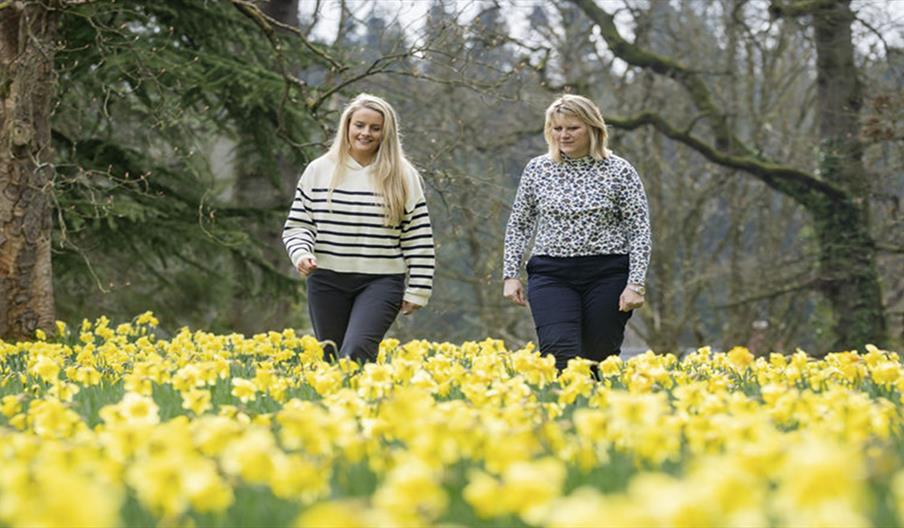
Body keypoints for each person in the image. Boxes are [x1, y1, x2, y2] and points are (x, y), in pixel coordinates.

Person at [502, 94, 651, 371]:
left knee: (597, 357)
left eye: (572, 128)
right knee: (559, 353)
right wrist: (510, 274)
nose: (564, 135)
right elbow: (519, 223)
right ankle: (560, 408)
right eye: (557, 129)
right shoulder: (537, 170)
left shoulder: (619, 171)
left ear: (593, 128)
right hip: (551, 273)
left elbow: (639, 230)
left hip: (607, 273)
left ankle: (590, 411)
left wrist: (636, 284)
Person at [282, 93, 435, 363]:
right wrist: (301, 253)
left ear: (386, 133)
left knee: (357, 352)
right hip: (326, 278)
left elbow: (418, 237)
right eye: (360, 125)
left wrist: (418, 289)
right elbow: (298, 225)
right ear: (347, 126)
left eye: (375, 128)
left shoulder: (403, 175)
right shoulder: (318, 170)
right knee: (331, 356)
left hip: (381, 281)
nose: (366, 133)